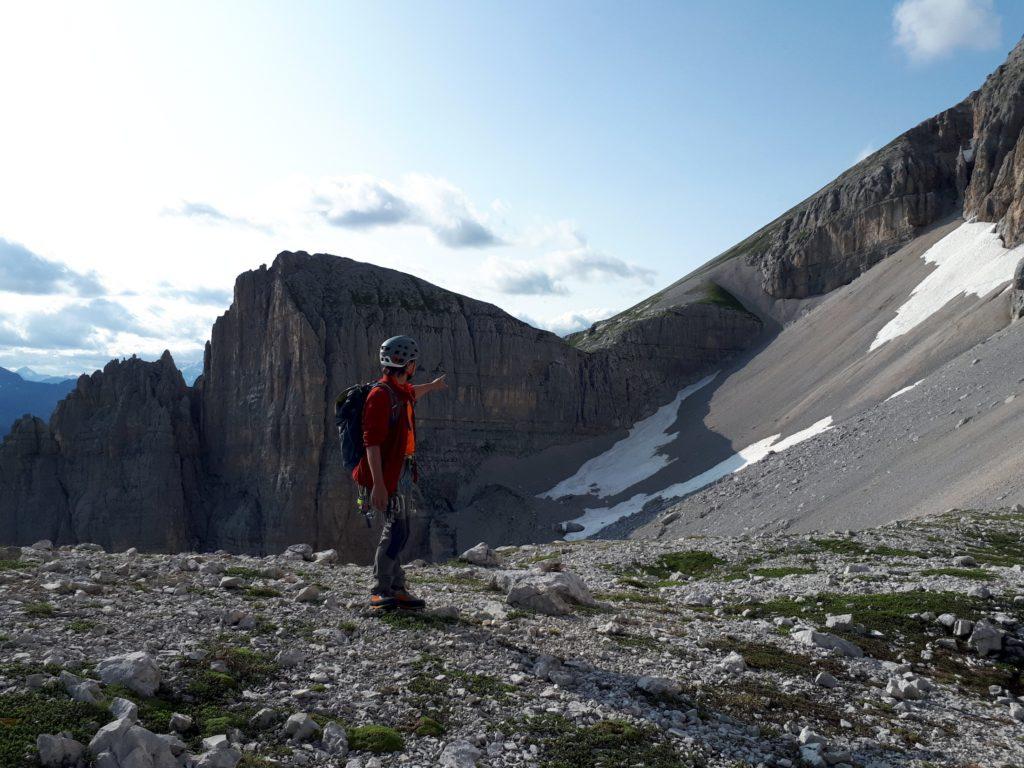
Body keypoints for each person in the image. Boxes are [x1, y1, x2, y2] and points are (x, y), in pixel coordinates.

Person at [352, 335, 447, 610]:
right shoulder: (380, 395)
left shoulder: (397, 392)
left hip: (402, 471)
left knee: (401, 529)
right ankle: (380, 590)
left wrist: (433, 386)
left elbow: (411, 394)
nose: (414, 367)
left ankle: (396, 587)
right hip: (388, 474)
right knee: (396, 529)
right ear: (409, 365)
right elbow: (372, 443)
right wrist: (379, 485)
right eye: (413, 363)